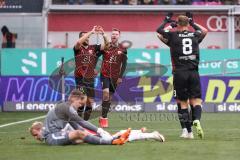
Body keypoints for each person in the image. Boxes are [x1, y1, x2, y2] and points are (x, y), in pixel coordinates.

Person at [156, 12, 208, 139]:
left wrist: (169, 24)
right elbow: (204, 31)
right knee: (196, 101)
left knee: (181, 103)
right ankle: (195, 121)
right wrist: (193, 23)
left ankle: (187, 130)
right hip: (194, 72)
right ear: (188, 24)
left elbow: (159, 33)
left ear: (178, 24)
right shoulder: (195, 35)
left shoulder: (173, 36)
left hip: (179, 73)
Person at [29, 89, 130, 145]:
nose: (81, 105)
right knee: (79, 135)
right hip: (52, 137)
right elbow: (82, 122)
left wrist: (97, 133)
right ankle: (112, 141)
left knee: (81, 138)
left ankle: (114, 137)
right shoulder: (66, 107)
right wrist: (99, 130)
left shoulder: (68, 109)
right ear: (74, 98)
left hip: (58, 134)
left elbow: (77, 126)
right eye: (80, 103)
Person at [73, 26, 109, 121]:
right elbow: (78, 42)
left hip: (90, 78)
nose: (87, 38)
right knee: (82, 99)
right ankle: (79, 123)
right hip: (80, 78)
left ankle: (85, 123)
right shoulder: (77, 49)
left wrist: (104, 35)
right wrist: (91, 32)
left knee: (90, 102)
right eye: (85, 37)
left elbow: (106, 46)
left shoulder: (94, 48)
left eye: (88, 37)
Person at [99, 28, 128, 128]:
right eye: (112, 34)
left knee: (109, 98)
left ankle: (103, 115)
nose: (114, 35)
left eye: (116, 34)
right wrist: (103, 35)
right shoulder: (106, 46)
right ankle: (104, 119)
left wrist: (120, 77)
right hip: (104, 75)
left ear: (119, 36)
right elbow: (99, 51)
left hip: (115, 77)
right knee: (106, 95)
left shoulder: (123, 48)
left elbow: (124, 64)